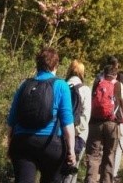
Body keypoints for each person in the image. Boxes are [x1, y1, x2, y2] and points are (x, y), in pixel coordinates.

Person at [8, 47, 77, 183]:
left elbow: (11, 120)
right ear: (56, 65)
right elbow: (67, 123)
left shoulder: (24, 85)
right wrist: (71, 151)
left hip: (23, 142)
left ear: (37, 65)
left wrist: (10, 146)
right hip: (51, 144)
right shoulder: (61, 85)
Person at [84, 63, 123, 183]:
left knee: (93, 156)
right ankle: (106, 180)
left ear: (103, 73)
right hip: (111, 124)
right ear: (115, 75)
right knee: (109, 154)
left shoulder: (96, 83)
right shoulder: (119, 85)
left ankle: (90, 180)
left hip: (94, 124)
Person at [62, 60, 91, 183]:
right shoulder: (85, 89)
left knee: (58, 170)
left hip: (60, 134)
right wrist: (77, 133)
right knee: (73, 169)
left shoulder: (60, 85)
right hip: (79, 135)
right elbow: (86, 115)